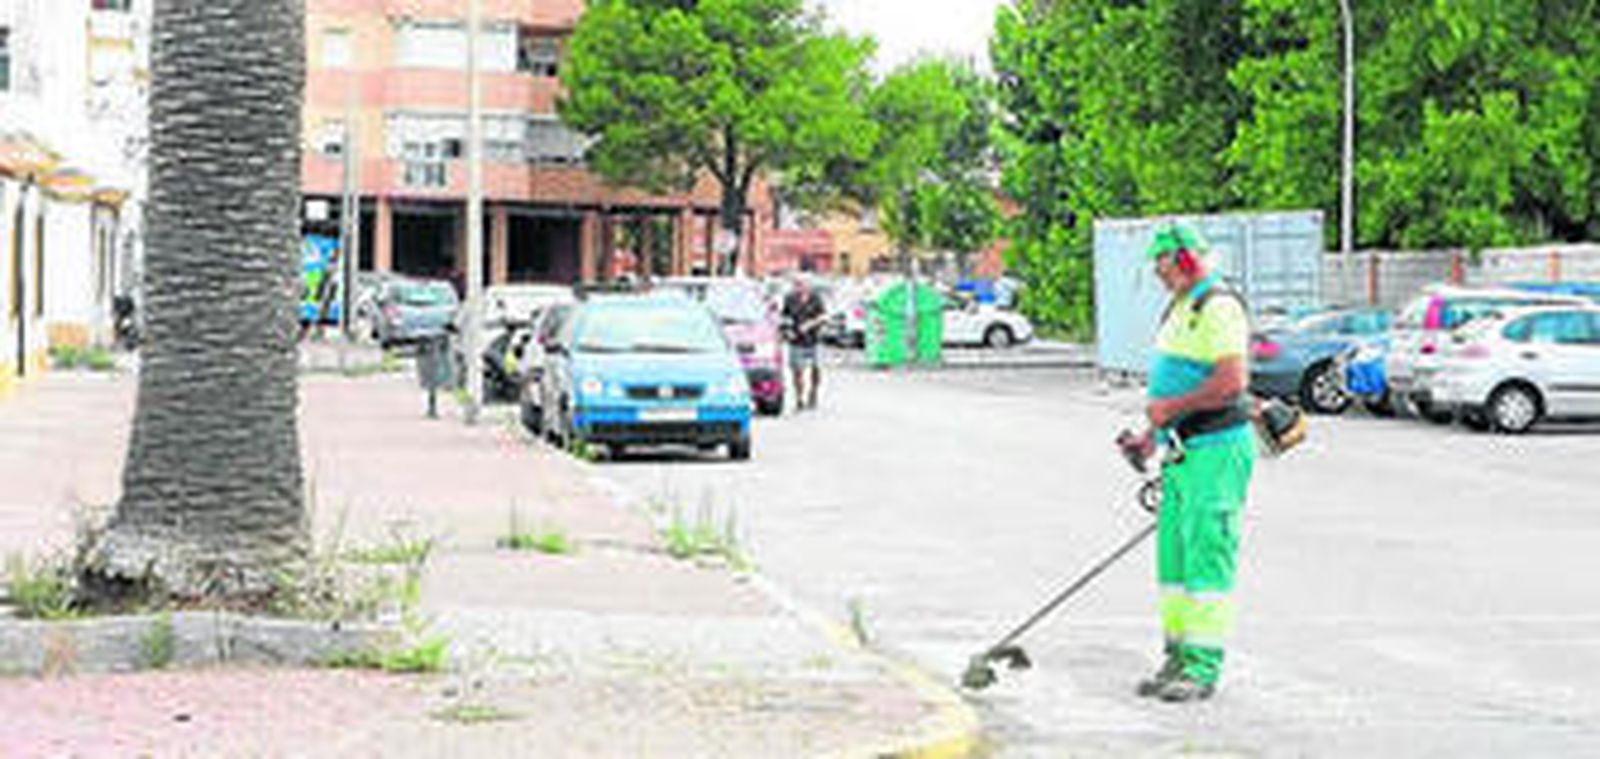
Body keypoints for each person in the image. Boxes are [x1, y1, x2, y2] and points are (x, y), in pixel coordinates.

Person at [1126, 223, 1258, 703]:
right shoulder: (1180, 306)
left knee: (1206, 558)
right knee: (1175, 563)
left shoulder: (1217, 307)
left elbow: (1229, 383)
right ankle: (1177, 656)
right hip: (1183, 452)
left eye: (1162, 264)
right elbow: (1176, 384)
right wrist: (1148, 436)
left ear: (1184, 259)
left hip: (1216, 451)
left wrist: (1169, 411)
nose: (1158, 274)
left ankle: (1202, 667)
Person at [781, 274, 828, 411]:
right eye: (797, 284)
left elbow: (823, 316)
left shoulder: (816, 298)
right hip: (796, 340)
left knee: (816, 368)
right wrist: (787, 331)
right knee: (797, 371)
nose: (799, 287)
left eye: (802, 284)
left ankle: (813, 393)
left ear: (808, 286)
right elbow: (785, 317)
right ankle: (799, 398)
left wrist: (811, 324)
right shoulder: (789, 299)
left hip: (814, 339)